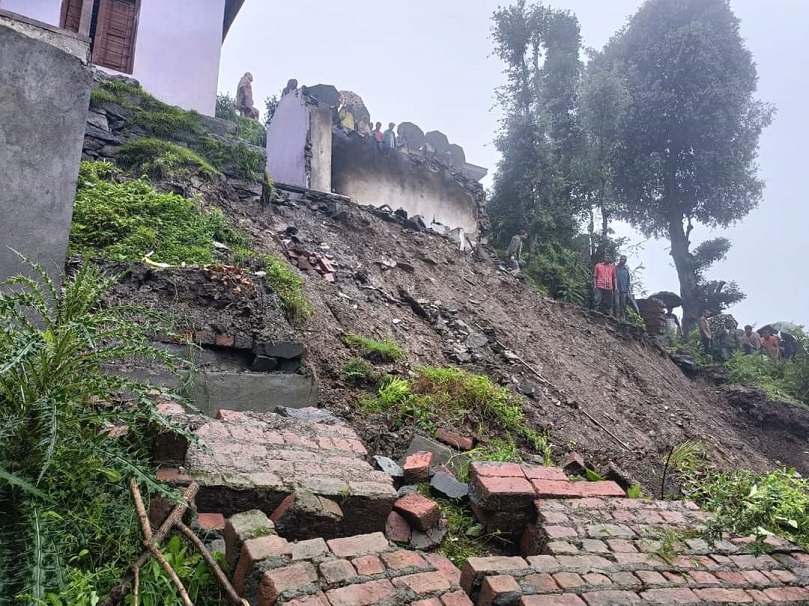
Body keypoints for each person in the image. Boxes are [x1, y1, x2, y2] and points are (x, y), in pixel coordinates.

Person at [615, 255, 631, 320]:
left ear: (625, 261)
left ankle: (623, 318)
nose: (622, 261)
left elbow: (628, 282)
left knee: (623, 305)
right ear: (619, 260)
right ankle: (617, 318)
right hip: (616, 289)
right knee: (616, 303)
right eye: (621, 259)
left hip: (624, 290)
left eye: (624, 259)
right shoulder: (615, 268)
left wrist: (629, 291)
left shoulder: (626, 270)